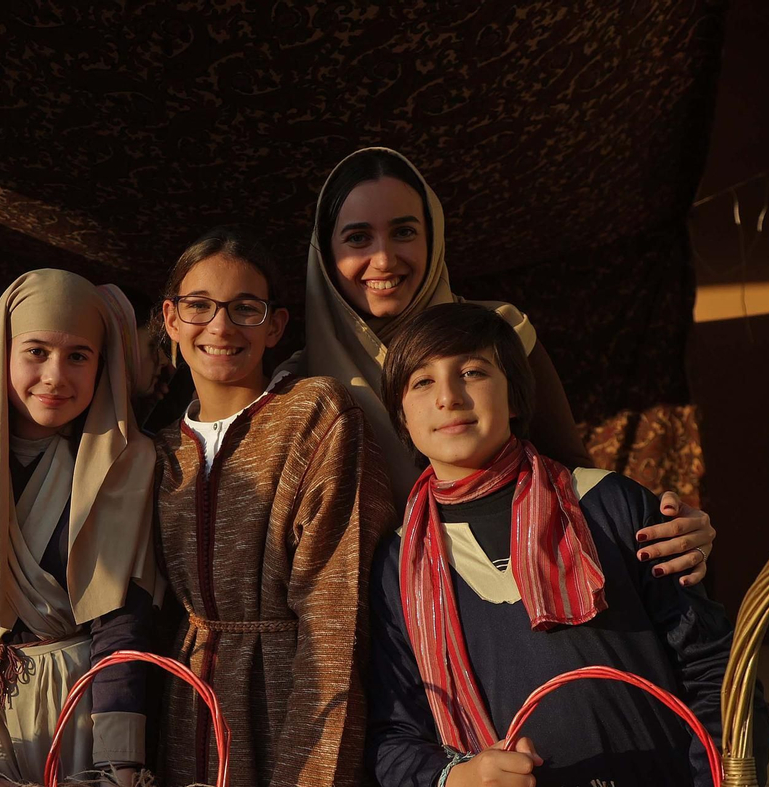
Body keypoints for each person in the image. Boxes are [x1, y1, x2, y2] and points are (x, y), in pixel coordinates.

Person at [365, 302, 769, 787]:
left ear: (516, 393)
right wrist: (457, 785)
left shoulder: (609, 505)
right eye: (421, 381)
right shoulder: (396, 561)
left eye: (474, 372)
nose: (449, 397)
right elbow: (394, 732)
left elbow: (712, 668)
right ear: (399, 415)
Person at [307, 147, 716, 585]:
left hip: (512, 590)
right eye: (357, 238)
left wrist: (667, 530)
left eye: (405, 231)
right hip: (372, 629)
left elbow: (571, 475)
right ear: (325, 253)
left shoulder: (500, 334)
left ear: (434, 237)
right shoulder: (300, 391)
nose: (384, 259)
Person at [152, 227, 394, 787]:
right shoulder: (155, 451)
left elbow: (335, 618)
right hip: (188, 712)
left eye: (245, 308)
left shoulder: (316, 415)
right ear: (171, 318)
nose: (221, 326)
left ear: (276, 324)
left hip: (291, 704)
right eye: (200, 305)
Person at [0, 269, 159, 787]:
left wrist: (120, 764)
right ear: (0, 355)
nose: (55, 377)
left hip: (82, 709)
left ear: (103, 363)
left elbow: (121, 623)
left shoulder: (123, 463)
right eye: (36, 352)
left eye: (78, 356)